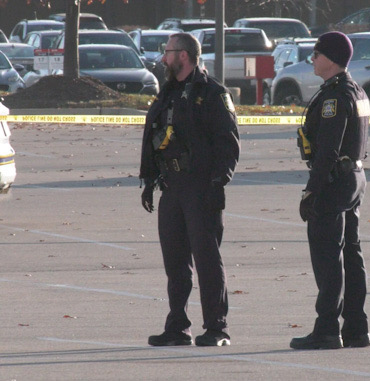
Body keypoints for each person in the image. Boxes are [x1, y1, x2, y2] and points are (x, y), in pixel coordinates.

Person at [139, 32, 240, 347]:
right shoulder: (168, 92)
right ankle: (177, 327)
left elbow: (229, 143)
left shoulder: (211, 93)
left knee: (208, 260)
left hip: (200, 187)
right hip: (172, 187)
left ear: (183, 55)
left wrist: (218, 181)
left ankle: (216, 328)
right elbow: (153, 135)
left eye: (167, 52)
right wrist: (148, 178)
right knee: (175, 263)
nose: (163, 58)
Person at [290, 31, 370, 350]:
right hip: (354, 177)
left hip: (334, 181)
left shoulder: (336, 96)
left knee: (328, 256)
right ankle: (356, 328)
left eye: (317, 54)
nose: (313, 58)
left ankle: (326, 328)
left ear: (333, 59)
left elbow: (328, 149)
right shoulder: (356, 90)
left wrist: (312, 190)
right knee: (351, 253)